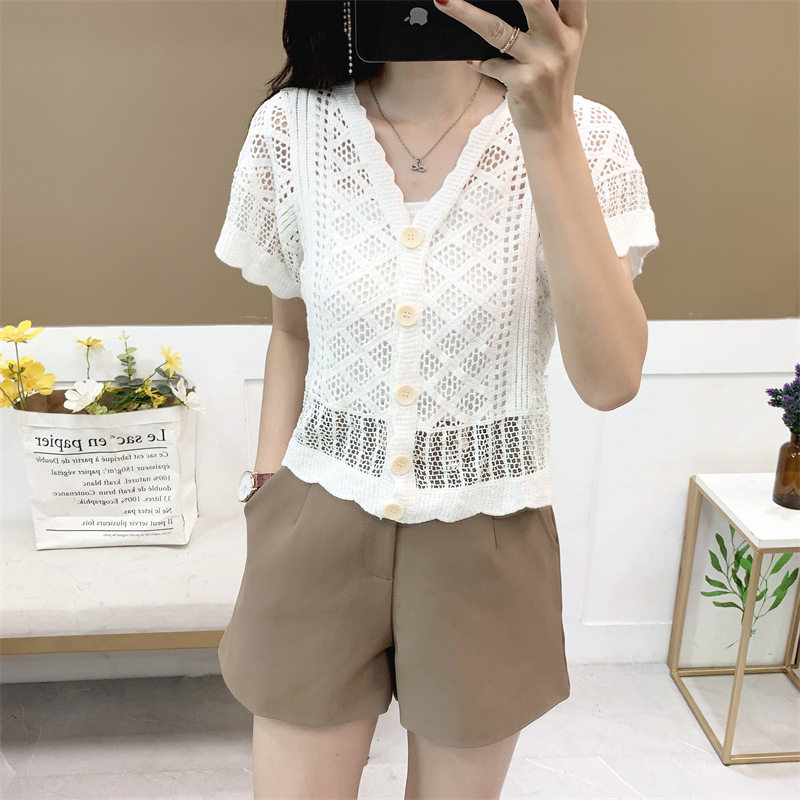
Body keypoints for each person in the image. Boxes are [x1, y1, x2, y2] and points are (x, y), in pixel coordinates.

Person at [214, 1, 659, 797]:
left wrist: (548, 128)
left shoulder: (588, 138)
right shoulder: (292, 129)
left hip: (488, 532)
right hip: (316, 517)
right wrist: (266, 490)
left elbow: (610, 380)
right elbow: (291, 330)